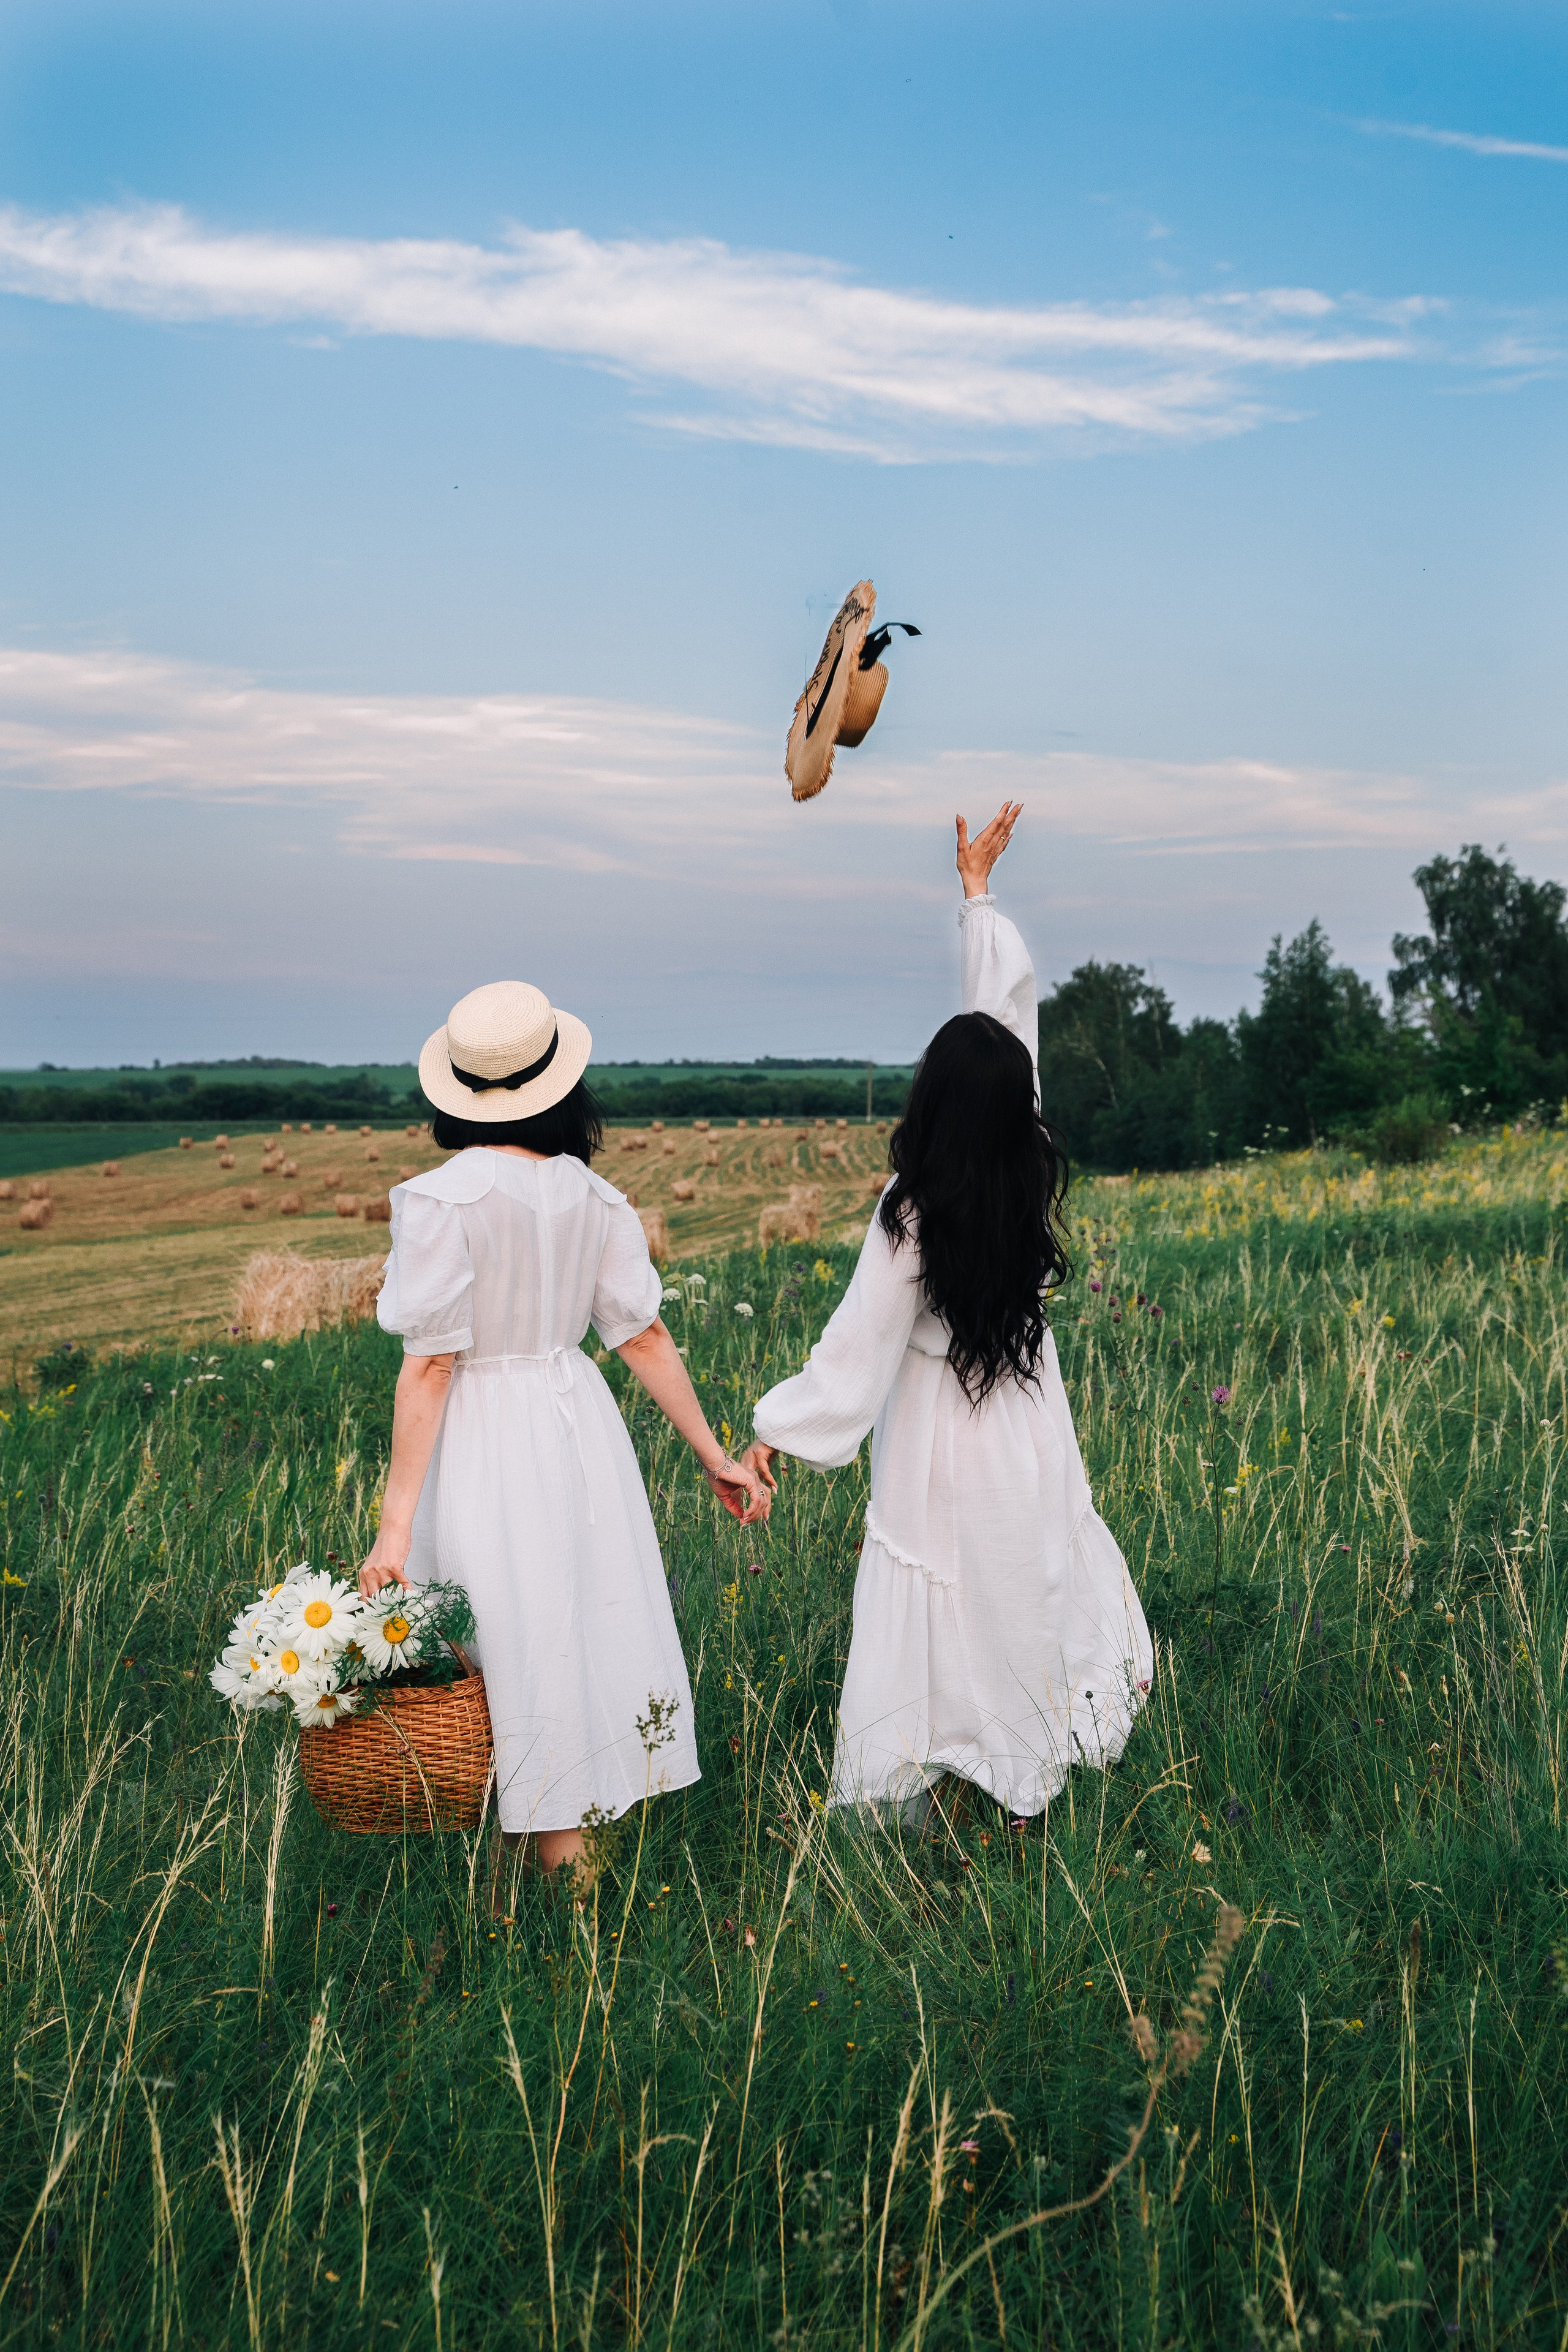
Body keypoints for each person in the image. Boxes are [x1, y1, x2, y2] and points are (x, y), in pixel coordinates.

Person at [741, 805, 1152, 1823]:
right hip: (1025, 1426)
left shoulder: (911, 1213)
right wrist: (978, 898)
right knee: (1024, 1595)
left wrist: (774, 1434)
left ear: (929, 1102)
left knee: (940, 1617)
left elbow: (857, 1355)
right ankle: (1022, 1789)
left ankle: (953, 1785)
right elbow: (1008, 1028)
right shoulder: (1028, 1163)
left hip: (938, 1445)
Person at [359, 974, 767, 1888]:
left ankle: (554, 1883)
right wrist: (713, 1455)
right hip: (574, 1425)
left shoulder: (439, 1199)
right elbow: (642, 1335)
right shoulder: (597, 1197)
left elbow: (431, 1364)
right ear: (560, 1087)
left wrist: (393, 1529)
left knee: (496, 1637)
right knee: (560, 1631)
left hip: (482, 1435)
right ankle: (552, 1876)